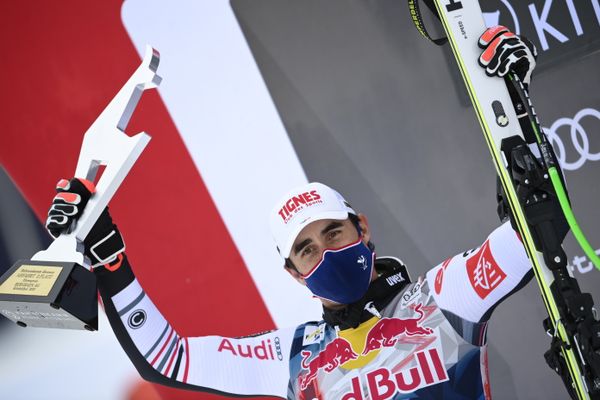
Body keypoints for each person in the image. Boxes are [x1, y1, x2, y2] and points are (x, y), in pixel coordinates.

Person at [46, 26, 540, 399]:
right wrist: (111, 262)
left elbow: (533, 227)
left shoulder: (442, 296)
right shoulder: (293, 355)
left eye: (333, 232)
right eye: (307, 249)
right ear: (293, 273)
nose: (324, 252)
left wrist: (517, 108)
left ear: (362, 227)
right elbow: (167, 357)